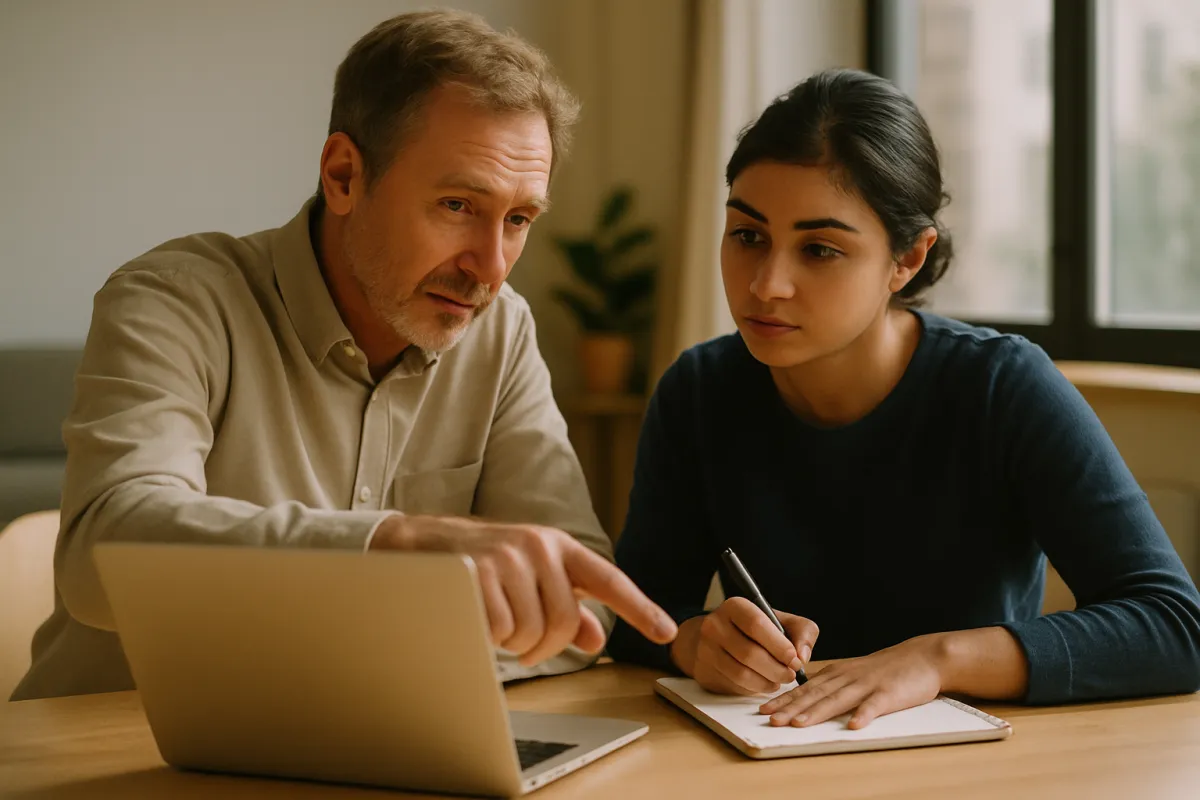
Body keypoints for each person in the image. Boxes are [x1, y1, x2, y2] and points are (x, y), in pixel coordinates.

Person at [12, 9, 676, 702]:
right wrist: (395, 546)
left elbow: (579, 605)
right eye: (457, 205)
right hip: (115, 744)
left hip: (367, 744)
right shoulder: (175, 299)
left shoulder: (501, 331)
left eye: (517, 220)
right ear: (343, 176)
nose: (491, 267)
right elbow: (105, 549)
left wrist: (374, 665)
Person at [606, 68, 1200, 729]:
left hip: (975, 763)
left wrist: (936, 659)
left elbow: (1174, 626)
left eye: (820, 249)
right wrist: (696, 641)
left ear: (908, 259)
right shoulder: (698, 392)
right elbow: (632, 616)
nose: (767, 284)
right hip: (773, 754)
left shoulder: (1002, 387)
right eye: (748, 236)